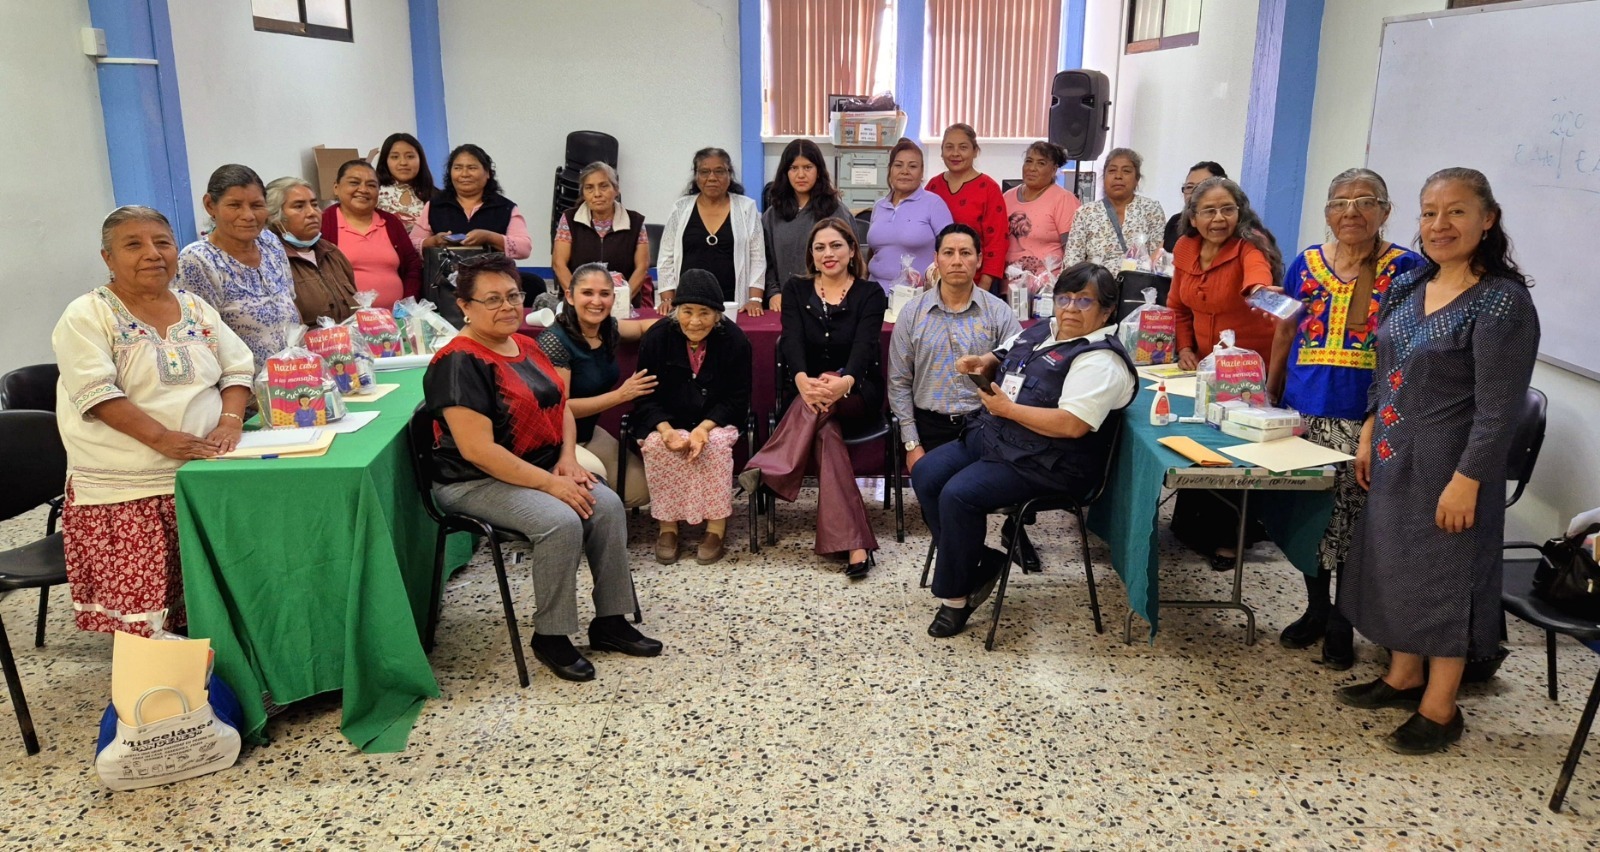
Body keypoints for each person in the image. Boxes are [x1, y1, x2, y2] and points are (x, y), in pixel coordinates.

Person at [1337, 168, 1539, 755]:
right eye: (1429, 213)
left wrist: (1468, 480)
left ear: (1487, 220)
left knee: (1445, 579)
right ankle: (1403, 676)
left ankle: (1441, 707)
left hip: (1452, 467)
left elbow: (1498, 410)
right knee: (1396, 566)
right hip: (1394, 456)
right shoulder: (1410, 284)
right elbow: (1383, 366)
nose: (1439, 225)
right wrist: (1370, 428)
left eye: (1456, 212)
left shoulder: (1501, 303)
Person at [424, 252, 660, 682]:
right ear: (464, 306)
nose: (507, 306)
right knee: (560, 521)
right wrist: (551, 486)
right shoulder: (458, 362)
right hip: (475, 481)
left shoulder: (527, 345)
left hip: (539, 465)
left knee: (607, 506)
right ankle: (551, 635)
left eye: (513, 295)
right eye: (492, 299)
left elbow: (560, 407)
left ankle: (610, 620)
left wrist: (567, 459)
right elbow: (479, 452)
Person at [53, 206, 255, 636]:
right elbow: (97, 393)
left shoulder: (195, 307)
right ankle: (161, 677)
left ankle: (220, 669)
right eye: (133, 244)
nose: (152, 253)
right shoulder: (87, 314)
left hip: (204, 473)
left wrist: (230, 422)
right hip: (129, 490)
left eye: (163, 242)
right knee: (150, 625)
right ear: (107, 258)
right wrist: (162, 438)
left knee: (214, 604)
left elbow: (237, 368)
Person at [913, 262, 1138, 638]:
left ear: (1107, 311)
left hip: (1052, 462)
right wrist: (982, 362)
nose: (1070, 308)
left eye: (1084, 301)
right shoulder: (1044, 329)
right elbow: (1005, 354)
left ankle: (956, 598)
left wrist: (1008, 410)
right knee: (926, 473)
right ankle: (980, 561)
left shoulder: (1101, 360)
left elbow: (1072, 424)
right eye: (1064, 298)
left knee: (958, 495)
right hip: (1001, 438)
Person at [1268, 168, 1426, 668]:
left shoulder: (1409, 269)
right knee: (1309, 517)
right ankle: (1316, 607)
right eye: (1340, 202)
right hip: (1303, 410)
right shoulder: (1305, 263)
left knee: (1354, 525)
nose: (1351, 211)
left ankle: (1343, 619)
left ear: (1385, 211)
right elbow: (1285, 330)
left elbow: (1411, 352)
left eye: (1365, 201)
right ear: (1327, 212)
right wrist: (1270, 393)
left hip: (1366, 417)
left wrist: (1382, 422)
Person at [739, 218, 887, 579]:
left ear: (852, 250)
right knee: (826, 434)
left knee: (828, 402)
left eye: (836, 245)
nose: (828, 253)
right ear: (811, 255)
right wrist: (803, 380)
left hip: (857, 391)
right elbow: (791, 340)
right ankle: (855, 544)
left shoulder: (870, 293)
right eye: (819, 247)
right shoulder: (796, 289)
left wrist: (843, 381)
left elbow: (865, 346)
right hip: (808, 393)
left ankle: (773, 462)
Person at [888, 223, 1036, 569]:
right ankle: (977, 562)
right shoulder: (912, 313)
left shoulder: (998, 312)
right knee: (937, 492)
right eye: (949, 253)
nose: (957, 260)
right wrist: (912, 444)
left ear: (979, 260)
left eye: (966, 253)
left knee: (975, 493)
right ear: (936, 260)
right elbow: (898, 382)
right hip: (931, 427)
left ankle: (1005, 537)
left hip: (986, 426)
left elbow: (1019, 372)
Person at [1166, 176, 1284, 568]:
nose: (1219, 219)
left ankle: (1232, 536)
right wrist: (1185, 347)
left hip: (1249, 369)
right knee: (1201, 439)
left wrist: (1261, 291)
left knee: (1233, 446)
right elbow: (1178, 307)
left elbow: (1257, 278)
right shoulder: (1185, 248)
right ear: (1193, 217)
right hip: (1205, 366)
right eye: (1209, 211)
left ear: (1240, 212)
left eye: (1227, 209)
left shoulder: (1250, 245)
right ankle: (1192, 525)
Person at [632, 270, 754, 565]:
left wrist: (704, 428)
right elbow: (643, 395)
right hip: (666, 419)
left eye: (704, 313)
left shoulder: (735, 340)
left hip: (715, 420)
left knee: (714, 445)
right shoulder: (657, 337)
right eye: (687, 311)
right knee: (658, 446)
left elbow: (738, 398)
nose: (695, 321)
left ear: (717, 316)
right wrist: (665, 429)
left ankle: (715, 528)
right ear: (676, 311)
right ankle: (668, 527)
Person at [536, 262, 659, 507]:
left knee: (641, 492)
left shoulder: (608, 327)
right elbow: (563, 408)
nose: (596, 301)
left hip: (589, 432)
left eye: (604, 294)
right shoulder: (554, 341)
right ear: (570, 296)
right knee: (599, 497)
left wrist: (684, 324)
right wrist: (621, 395)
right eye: (587, 293)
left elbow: (643, 327)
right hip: (556, 441)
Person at [176, 164, 300, 367]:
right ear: (210, 205)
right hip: (243, 382)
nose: (248, 215)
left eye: (257, 205)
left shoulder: (269, 242)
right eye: (234, 205)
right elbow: (200, 342)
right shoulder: (198, 260)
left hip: (293, 373)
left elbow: (291, 304)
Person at [656, 147, 765, 314]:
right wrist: (667, 299)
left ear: (729, 174)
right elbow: (666, 257)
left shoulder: (746, 207)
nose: (712, 178)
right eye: (704, 172)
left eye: (719, 171)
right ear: (696, 176)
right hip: (688, 305)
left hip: (734, 305)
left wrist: (755, 299)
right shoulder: (681, 207)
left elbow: (757, 257)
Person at [763, 139, 861, 311]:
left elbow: (853, 258)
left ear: (819, 171)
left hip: (832, 303)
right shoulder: (773, 215)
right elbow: (765, 260)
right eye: (794, 168)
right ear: (785, 172)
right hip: (785, 303)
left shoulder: (836, 211)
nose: (801, 175)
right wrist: (773, 293)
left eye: (808, 167)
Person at [321, 160, 423, 309]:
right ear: (336, 187)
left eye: (371, 185)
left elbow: (412, 266)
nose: (363, 189)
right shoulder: (323, 223)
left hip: (396, 318)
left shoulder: (391, 222)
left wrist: (407, 305)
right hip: (345, 318)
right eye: (354, 183)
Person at [551, 162, 652, 306]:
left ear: (616, 189)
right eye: (589, 188)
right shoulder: (569, 219)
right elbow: (559, 264)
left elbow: (642, 267)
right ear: (583, 193)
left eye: (604, 186)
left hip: (624, 305)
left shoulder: (635, 222)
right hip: (578, 306)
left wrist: (620, 301)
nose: (597, 194)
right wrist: (578, 299)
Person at [411, 144, 533, 260]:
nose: (464, 174)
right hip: (446, 273)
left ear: (487, 173)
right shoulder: (435, 205)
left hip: (493, 273)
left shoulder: (505, 207)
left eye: (472, 168)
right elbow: (411, 245)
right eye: (457, 168)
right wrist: (433, 241)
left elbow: (524, 248)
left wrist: (490, 237)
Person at [925, 124, 1008, 293]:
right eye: (949, 147)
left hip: (976, 283)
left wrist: (983, 289)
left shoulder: (989, 189)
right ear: (941, 152)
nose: (955, 153)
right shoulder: (933, 186)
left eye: (963, 147)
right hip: (937, 283)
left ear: (975, 151)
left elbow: (997, 242)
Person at [264, 176, 357, 324]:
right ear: (274, 216)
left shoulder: (331, 252)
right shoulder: (270, 260)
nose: (312, 212)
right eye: (299, 206)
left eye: (314, 204)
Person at [865, 137, 954, 290]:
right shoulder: (879, 206)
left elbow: (951, 250)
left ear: (922, 172)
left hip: (918, 294)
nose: (904, 171)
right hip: (874, 291)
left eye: (912, 166)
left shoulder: (934, 204)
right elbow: (874, 252)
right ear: (890, 170)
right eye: (898, 165)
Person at [1063, 148, 1167, 271]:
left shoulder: (1151, 209)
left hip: (1140, 281)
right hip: (1094, 282)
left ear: (1137, 179)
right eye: (1112, 170)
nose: (1118, 176)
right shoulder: (1086, 213)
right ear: (1104, 177)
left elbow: (1158, 259)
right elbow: (1072, 262)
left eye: (1126, 171)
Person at [1003, 141, 1082, 299]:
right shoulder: (1006, 197)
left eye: (1041, 163)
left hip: (1046, 293)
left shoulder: (1064, 200)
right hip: (1008, 290)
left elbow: (1074, 252)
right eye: (1029, 161)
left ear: (1054, 170)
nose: (1032, 168)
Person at [375, 132, 436, 232]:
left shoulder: (436, 197)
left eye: (410, 156)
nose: (403, 163)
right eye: (395, 157)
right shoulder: (373, 193)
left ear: (420, 159)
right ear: (385, 161)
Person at [1163, 161, 1227, 253]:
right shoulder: (1175, 221)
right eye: (1189, 187)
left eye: (1202, 186)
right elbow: (1159, 257)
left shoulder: (1223, 224)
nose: (1195, 193)